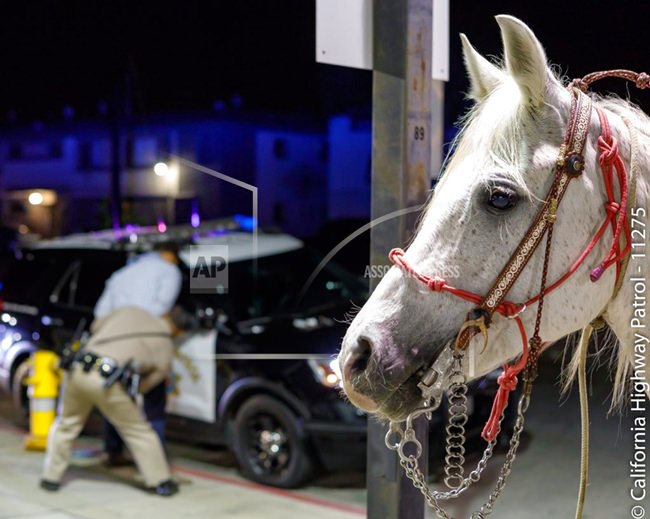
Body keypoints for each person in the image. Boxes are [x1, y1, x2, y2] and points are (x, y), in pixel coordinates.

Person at [41, 306, 179, 496]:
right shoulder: (165, 344)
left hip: (78, 368)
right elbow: (155, 378)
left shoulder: (130, 311)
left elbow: (97, 325)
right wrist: (134, 391)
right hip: (106, 381)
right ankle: (161, 481)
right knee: (138, 431)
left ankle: (50, 478)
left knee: (66, 424)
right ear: (179, 330)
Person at [93, 241, 183, 466]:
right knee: (154, 402)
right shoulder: (169, 271)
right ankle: (155, 459)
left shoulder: (122, 274)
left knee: (115, 396)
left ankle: (112, 451)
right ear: (170, 254)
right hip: (146, 343)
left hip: (115, 344)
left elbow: (100, 312)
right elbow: (162, 308)